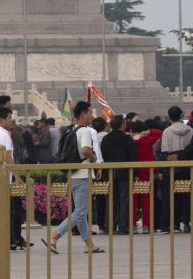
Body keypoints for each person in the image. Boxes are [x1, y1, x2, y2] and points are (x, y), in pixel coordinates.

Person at [43, 102, 102, 254]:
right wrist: (94, 158)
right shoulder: (85, 131)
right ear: (82, 115)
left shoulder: (72, 130)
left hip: (74, 174)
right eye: (89, 112)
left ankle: (89, 245)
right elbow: (85, 149)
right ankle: (55, 236)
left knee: (80, 212)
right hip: (83, 174)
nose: (92, 115)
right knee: (81, 212)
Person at [0, 103, 27, 250]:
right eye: (9, 118)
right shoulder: (3, 135)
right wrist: (17, 176)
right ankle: (7, 241)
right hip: (2, 179)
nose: (12, 121)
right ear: (2, 119)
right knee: (7, 211)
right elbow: (8, 157)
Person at [100, 117, 136, 234]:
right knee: (124, 200)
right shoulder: (127, 139)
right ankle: (123, 227)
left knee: (110, 200)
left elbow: (103, 155)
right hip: (124, 172)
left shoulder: (106, 139)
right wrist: (135, 173)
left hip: (109, 172)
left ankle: (109, 227)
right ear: (122, 125)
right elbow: (133, 157)